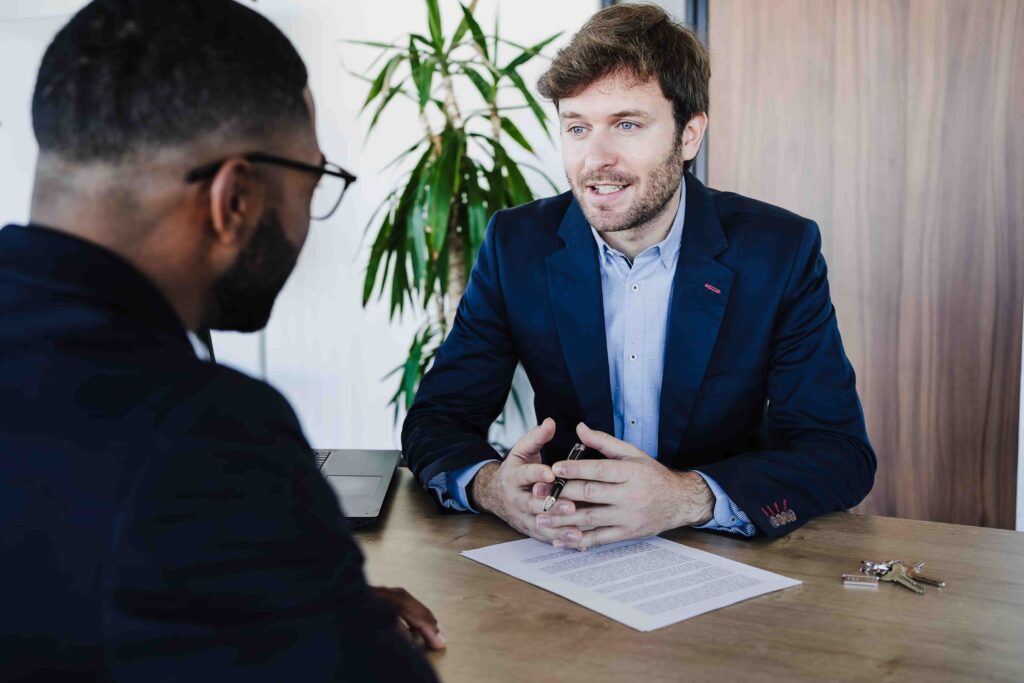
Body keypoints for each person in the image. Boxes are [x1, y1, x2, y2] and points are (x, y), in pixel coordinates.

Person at [0, 1, 441, 680]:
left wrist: (286, 605)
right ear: (235, 199)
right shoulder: (209, 434)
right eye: (315, 180)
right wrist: (325, 617)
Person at [402, 4, 876, 549]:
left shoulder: (778, 250)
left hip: (718, 553)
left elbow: (838, 453)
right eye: (577, 127)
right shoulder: (517, 245)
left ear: (689, 136)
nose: (595, 158)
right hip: (566, 550)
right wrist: (490, 486)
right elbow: (436, 419)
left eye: (627, 124)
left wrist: (686, 496)